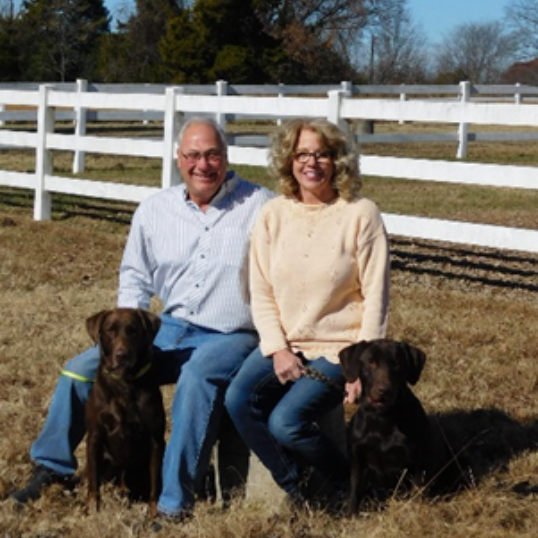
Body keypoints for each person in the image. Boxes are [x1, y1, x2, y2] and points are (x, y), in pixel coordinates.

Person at [10, 117, 274, 520]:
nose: (203, 165)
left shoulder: (262, 206)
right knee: (79, 370)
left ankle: (171, 501)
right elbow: (134, 275)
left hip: (230, 334)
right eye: (193, 155)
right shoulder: (154, 210)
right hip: (168, 329)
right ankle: (53, 466)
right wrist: (127, 336)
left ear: (226, 157)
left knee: (196, 378)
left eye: (212, 155)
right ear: (178, 158)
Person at [225, 118, 391, 509]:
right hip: (286, 341)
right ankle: (298, 486)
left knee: (286, 423)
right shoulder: (273, 213)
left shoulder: (361, 214)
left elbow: (376, 297)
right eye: (302, 153)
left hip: (340, 348)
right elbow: (261, 290)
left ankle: (345, 483)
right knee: (237, 399)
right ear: (289, 160)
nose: (311, 162)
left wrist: (360, 370)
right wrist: (278, 349)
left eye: (322, 154)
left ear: (338, 161)